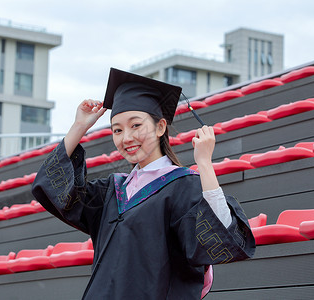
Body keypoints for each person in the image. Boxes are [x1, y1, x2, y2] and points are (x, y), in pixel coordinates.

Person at [32, 68, 255, 299]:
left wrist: (205, 164)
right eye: (117, 130)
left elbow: (221, 242)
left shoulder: (182, 186)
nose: (126, 137)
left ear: (160, 127)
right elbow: (52, 187)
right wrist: (79, 127)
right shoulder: (111, 191)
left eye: (135, 125)